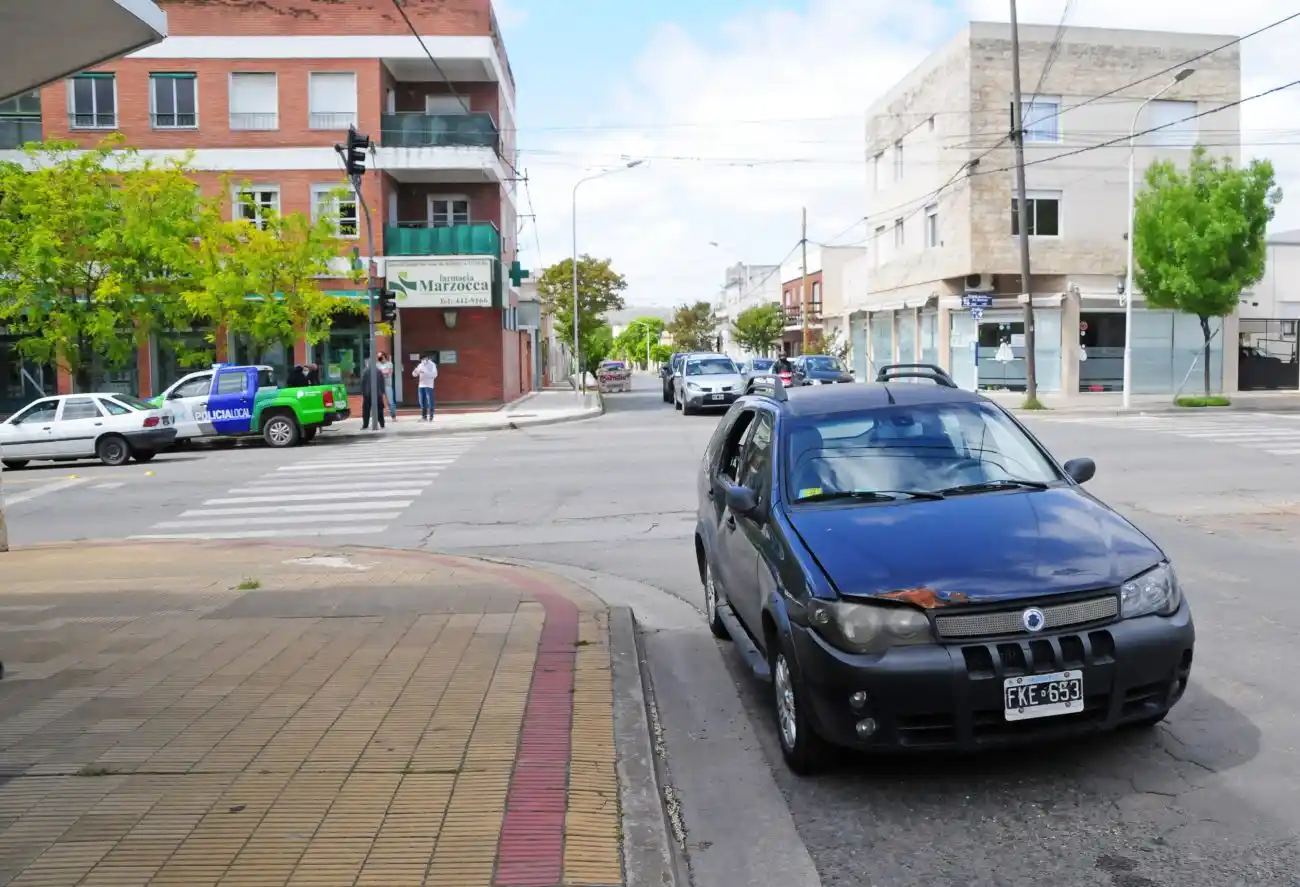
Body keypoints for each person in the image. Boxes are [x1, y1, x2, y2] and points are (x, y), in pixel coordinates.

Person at [360, 359, 386, 430]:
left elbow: (362, 383)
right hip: (378, 394)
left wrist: (363, 392)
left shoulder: (365, 371)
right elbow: (382, 382)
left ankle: (365, 425)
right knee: (379, 410)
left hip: (367, 394)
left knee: (366, 411)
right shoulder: (379, 371)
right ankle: (382, 424)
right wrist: (382, 391)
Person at [412, 353, 438, 421]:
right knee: (421, 401)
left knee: (430, 401)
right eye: (422, 359)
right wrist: (415, 371)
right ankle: (424, 416)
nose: (423, 360)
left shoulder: (432, 364)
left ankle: (431, 416)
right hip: (421, 385)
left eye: (424, 358)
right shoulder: (420, 365)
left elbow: (434, 375)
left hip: (429, 385)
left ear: (427, 358)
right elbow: (414, 374)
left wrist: (425, 372)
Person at [376, 352, 398, 421]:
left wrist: (381, 372)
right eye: (378, 357)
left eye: (380, 356)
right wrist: (384, 372)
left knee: (390, 402)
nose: (379, 358)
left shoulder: (389, 364)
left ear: (384, 356)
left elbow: (389, 374)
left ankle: (393, 417)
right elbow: (377, 374)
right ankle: (380, 417)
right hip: (379, 385)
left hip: (388, 385)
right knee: (379, 402)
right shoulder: (377, 364)